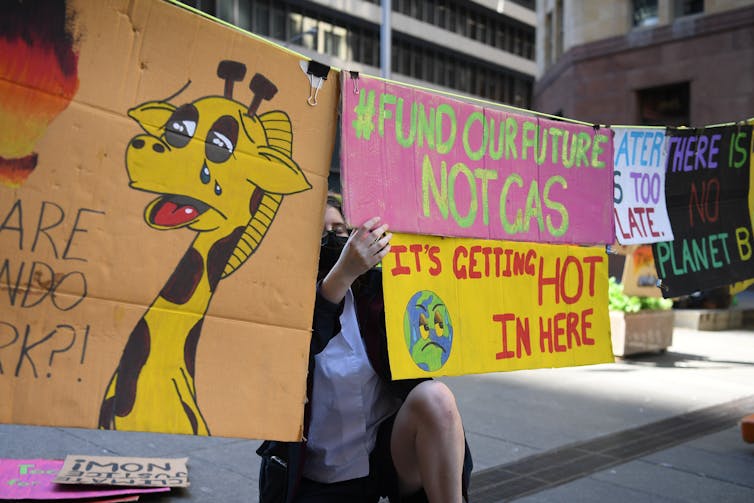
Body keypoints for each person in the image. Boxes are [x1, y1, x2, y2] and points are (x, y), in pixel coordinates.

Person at [257, 193, 472, 503]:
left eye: (340, 230)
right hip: (315, 477)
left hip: (383, 462)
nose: (332, 239)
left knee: (437, 398)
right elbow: (292, 357)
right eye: (320, 233)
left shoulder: (375, 297)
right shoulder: (278, 304)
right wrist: (340, 276)